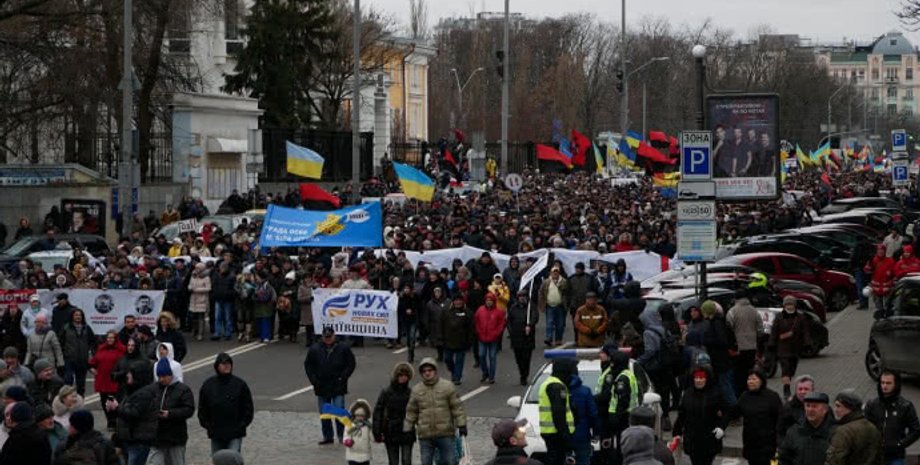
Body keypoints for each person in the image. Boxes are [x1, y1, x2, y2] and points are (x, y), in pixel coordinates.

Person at [403, 357, 467, 465]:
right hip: (425, 435)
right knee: (426, 462)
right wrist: (407, 429)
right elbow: (411, 412)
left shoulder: (447, 386)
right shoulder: (416, 390)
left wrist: (462, 424)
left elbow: (457, 407)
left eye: (430, 370)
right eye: (424, 371)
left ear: (435, 371)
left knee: (450, 461)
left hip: (445, 433)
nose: (427, 373)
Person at [304, 326, 356, 445]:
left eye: (330, 337)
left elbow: (351, 364)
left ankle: (342, 435)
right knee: (325, 413)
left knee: (339, 411)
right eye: (326, 337)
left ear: (334, 336)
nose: (328, 339)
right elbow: (308, 366)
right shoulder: (315, 349)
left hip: (338, 384)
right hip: (321, 385)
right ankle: (328, 436)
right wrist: (314, 380)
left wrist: (343, 377)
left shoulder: (343, 348)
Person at [198, 353, 254, 454]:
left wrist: (242, 425)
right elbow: (203, 407)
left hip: (235, 432)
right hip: (216, 433)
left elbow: (248, 407)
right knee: (218, 459)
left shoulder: (240, 384)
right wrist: (208, 425)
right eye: (223, 363)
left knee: (232, 458)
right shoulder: (209, 385)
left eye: (228, 363)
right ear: (217, 366)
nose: (226, 366)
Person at [144, 358, 196, 465]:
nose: (161, 379)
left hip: (175, 437)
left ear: (170, 375)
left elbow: (189, 410)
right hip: (157, 437)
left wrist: (170, 414)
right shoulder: (153, 389)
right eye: (159, 376)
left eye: (164, 376)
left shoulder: (183, 389)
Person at [672, 367, 728, 465]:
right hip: (692, 438)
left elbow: (726, 412)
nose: (698, 380)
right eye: (696, 378)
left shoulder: (715, 393)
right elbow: (682, 414)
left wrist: (721, 427)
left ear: (707, 379)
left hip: (709, 438)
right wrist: (677, 432)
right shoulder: (688, 394)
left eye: (701, 378)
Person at [864, 370, 920, 465]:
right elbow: (865, 428)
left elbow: (916, 430)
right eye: (882, 382)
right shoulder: (872, 405)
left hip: (895, 456)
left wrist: (900, 444)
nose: (884, 386)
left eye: (888, 383)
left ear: (896, 384)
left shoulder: (905, 406)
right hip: (874, 456)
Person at [730, 369, 783, 465]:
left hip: (769, 444)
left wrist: (779, 441)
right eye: (749, 379)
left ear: (761, 381)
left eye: (754, 379)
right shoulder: (745, 396)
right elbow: (734, 412)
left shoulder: (772, 396)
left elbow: (780, 418)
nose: (750, 382)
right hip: (751, 444)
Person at [768, 295, 811, 399]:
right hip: (782, 347)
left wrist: (807, 343)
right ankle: (786, 389)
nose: (789, 306)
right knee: (785, 369)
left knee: (792, 369)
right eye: (787, 304)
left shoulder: (800, 317)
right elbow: (774, 331)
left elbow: (805, 331)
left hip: (795, 347)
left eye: (791, 304)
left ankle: (788, 381)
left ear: (794, 305)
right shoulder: (779, 317)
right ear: (784, 305)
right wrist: (771, 343)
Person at [636, 307, 672, 430]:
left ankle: (655, 418)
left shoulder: (647, 332)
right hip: (666, 365)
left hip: (654, 367)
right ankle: (666, 417)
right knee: (665, 391)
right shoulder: (663, 329)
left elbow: (650, 350)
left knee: (654, 390)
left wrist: (639, 361)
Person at [373, 362, 416, 465]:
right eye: (400, 375)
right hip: (390, 431)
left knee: (407, 460)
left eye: (405, 375)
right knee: (393, 461)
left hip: (407, 430)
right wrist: (377, 431)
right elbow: (378, 411)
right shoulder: (387, 392)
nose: (403, 378)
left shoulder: (411, 393)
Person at [826, 389, 883, 465]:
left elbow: (834, 461)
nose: (835, 410)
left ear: (850, 408)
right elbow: (879, 457)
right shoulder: (872, 427)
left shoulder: (843, 432)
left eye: (838, 406)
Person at [777, 392, 835, 465]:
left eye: (814, 406)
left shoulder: (836, 433)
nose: (810, 409)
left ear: (825, 410)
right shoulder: (794, 432)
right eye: (808, 406)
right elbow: (783, 459)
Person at [726, 288, 764, 397]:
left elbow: (728, 329)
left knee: (739, 374)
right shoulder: (754, 311)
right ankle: (751, 392)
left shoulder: (732, 311)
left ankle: (741, 395)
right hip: (751, 347)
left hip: (738, 348)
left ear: (736, 299)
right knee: (750, 372)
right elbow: (760, 330)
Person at [538, 357, 576, 465]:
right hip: (556, 433)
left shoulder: (549, 383)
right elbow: (558, 413)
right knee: (557, 460)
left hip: (551, 432)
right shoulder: (557, 387)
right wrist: (565, 434)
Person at [53, 409, 119, 465]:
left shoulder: (65, 445)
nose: (69, 427)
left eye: (71, 425)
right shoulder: (104, 443)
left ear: (77, 427)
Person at [440, 295, 475, 385]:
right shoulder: (446, 311)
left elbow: (471, 328)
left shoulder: (468, 313)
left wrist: (470, 341)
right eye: (456, 300)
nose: (458, 302)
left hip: (462, 341)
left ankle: (457, 377)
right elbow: (441, 325)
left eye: (460, 300)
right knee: (447, 359)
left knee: (459, 361)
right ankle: (453, 371)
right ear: (453, 301)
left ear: (463, 301)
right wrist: (440, 337)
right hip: (448, 340)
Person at [507, 288, 538, 386]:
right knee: (518, 359)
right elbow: (509, 320)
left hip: (527, 338)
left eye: (524, 296)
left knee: (526, 358)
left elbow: (535, 317)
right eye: (520, 296)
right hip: (516, 338)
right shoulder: (513, 308)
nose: (522, 298)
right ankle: (522, 373)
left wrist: (530, 325)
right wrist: (511, 331)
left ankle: (524, 376)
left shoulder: (530, 307)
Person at [60, 309, 95, 395]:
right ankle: (66, 398)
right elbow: (61, 342)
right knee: (68, 380)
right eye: (76, 315)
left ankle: (80, 399)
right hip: (69, 359)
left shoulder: (87, 328)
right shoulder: (66, 327)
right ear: (72, 316)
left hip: (82, 359)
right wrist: (64, 354)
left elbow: (93, 342)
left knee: (81, 383)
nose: (78, 317)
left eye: (79, 315)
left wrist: (92, 356)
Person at [475, 293, 506, 384]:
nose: (489, 302)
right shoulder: (480, 310)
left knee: (492, 357)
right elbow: (476, 321)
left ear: (493, 302)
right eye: (487, 301)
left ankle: (491, 376)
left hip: (493, 338)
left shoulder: (498, 312)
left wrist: (496, 333)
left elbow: (501, 324)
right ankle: (485, 372)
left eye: (490, 301)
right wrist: (478, 331)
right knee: (481, 355)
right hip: (482, 337)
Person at [568, 368, 597, 465]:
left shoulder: (559, 390)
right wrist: (596, 432)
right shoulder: (585, 391)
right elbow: (593, 414)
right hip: (582, 433)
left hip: (563, 434)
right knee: (583, 460)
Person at [779, 374, 816, 442]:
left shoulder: (822, 407)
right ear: (796, 391)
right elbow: (780, 432)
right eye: (800, 389)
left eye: (806, 389)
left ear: (813, 390)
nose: (803, 392)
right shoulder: (787, 409)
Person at [538, 267, 569, 347]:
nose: (555, 273)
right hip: (549, 305)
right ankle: (549, 338)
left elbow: (567, 291)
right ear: (551, 273)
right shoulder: (546, 282)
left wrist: (559, 286)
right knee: (549, 323)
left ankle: (558, 339)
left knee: (560, 324)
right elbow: (541, 292)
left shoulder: (564, 281)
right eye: (554, 272)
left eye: (556, 272)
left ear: (559, 273)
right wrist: (541, 303)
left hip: (560, 306)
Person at [865, 244, 896, 315]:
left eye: (882, 250)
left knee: (889, 306)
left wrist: (893, 281)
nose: (880, 252)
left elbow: (894, 272)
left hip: (888, 288)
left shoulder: (890, 260)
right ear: (876, 251)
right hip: (876, 288)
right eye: (879, 250)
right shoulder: (873, 260)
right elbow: (867, 271)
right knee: (879, 308)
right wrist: (869, 264)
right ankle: (880, 316)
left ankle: (888, 316)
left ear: (885, 251)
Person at [343, 399, 373, 465]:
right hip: (352, 454)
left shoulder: (368, 426)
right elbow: (346, 434)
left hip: (365, 454)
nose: (359, 418)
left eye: (362, 416)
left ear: (365, 415)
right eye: (357, 415)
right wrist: (347, 441)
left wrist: (376, 435)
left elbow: (372, 438)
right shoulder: (350, 424)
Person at [425, 287, 449, 362]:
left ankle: (447, 355)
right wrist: (427, 326)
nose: (437, 294)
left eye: (439, 292)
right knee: (438, 342)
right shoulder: (430, 303)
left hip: (445, 325)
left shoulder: (447, 302)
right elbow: (427, 316)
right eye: (436, 292)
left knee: (446, 341)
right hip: (435, 325)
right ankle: (440, 355)